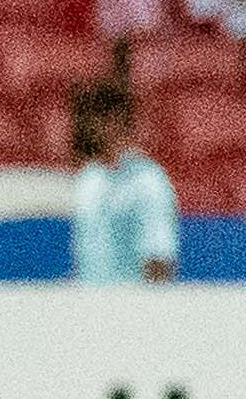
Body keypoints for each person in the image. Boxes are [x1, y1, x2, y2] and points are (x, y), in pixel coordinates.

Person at [67, 80, 180, 283]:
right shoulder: (89, 178)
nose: (84, 126)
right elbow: (86, 256)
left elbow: (159, 258)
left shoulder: (148, 181)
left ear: (115, 120)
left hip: (131, 298)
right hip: (90, 298)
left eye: (95, 117)